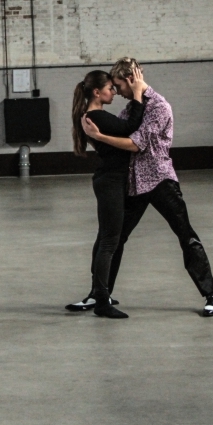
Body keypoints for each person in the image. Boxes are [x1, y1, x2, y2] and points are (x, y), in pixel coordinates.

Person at [70, 58, 213, 317]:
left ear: (131, 81)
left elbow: (135, 144)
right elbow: (120, 132)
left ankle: (211, 295)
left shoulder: (159, 107)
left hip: (160, 180)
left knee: (185, 235)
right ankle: (100, 294)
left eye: (118, 85)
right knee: (115, 238)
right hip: (134, 183)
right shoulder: (131, 109)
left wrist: (99, 136)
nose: (117, 92)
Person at [68, 65, 146, 319]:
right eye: (110, 89)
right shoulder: (97, 116)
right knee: (110, 241)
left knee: (105, 237)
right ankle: (102, 301)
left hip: (109, 180)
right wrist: (137, 94)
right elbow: (131, 127)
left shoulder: (93, 115)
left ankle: (98, 293)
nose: (113, 92)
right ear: (96, 92)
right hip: (111, 181)